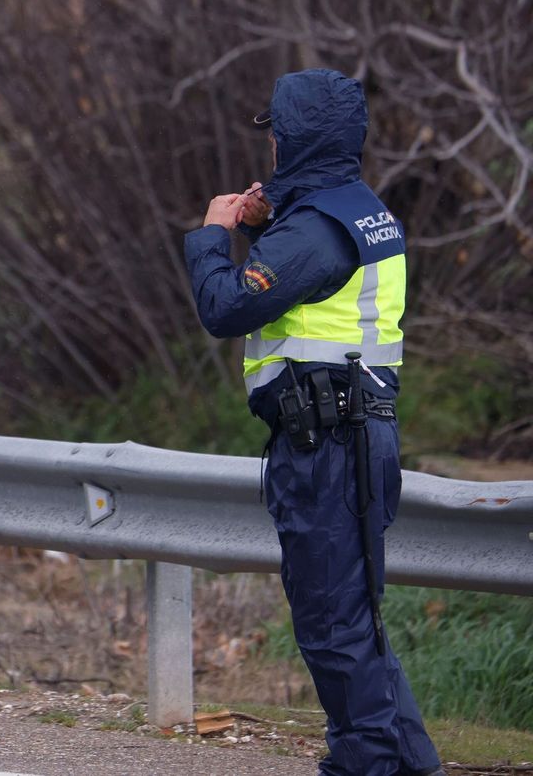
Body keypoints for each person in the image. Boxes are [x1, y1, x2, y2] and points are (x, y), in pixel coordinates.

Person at [185, 70, 442, 776]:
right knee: (357, 625)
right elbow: (317, 284)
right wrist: (275, 221)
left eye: (276, 138)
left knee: (333, 628)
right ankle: (410, 766)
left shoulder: (314, 230)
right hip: (359, 434)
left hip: (327, 445)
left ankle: (363, 766)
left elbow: (227, 308)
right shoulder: (359, 211)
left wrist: (213, 235)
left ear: (291, 140)